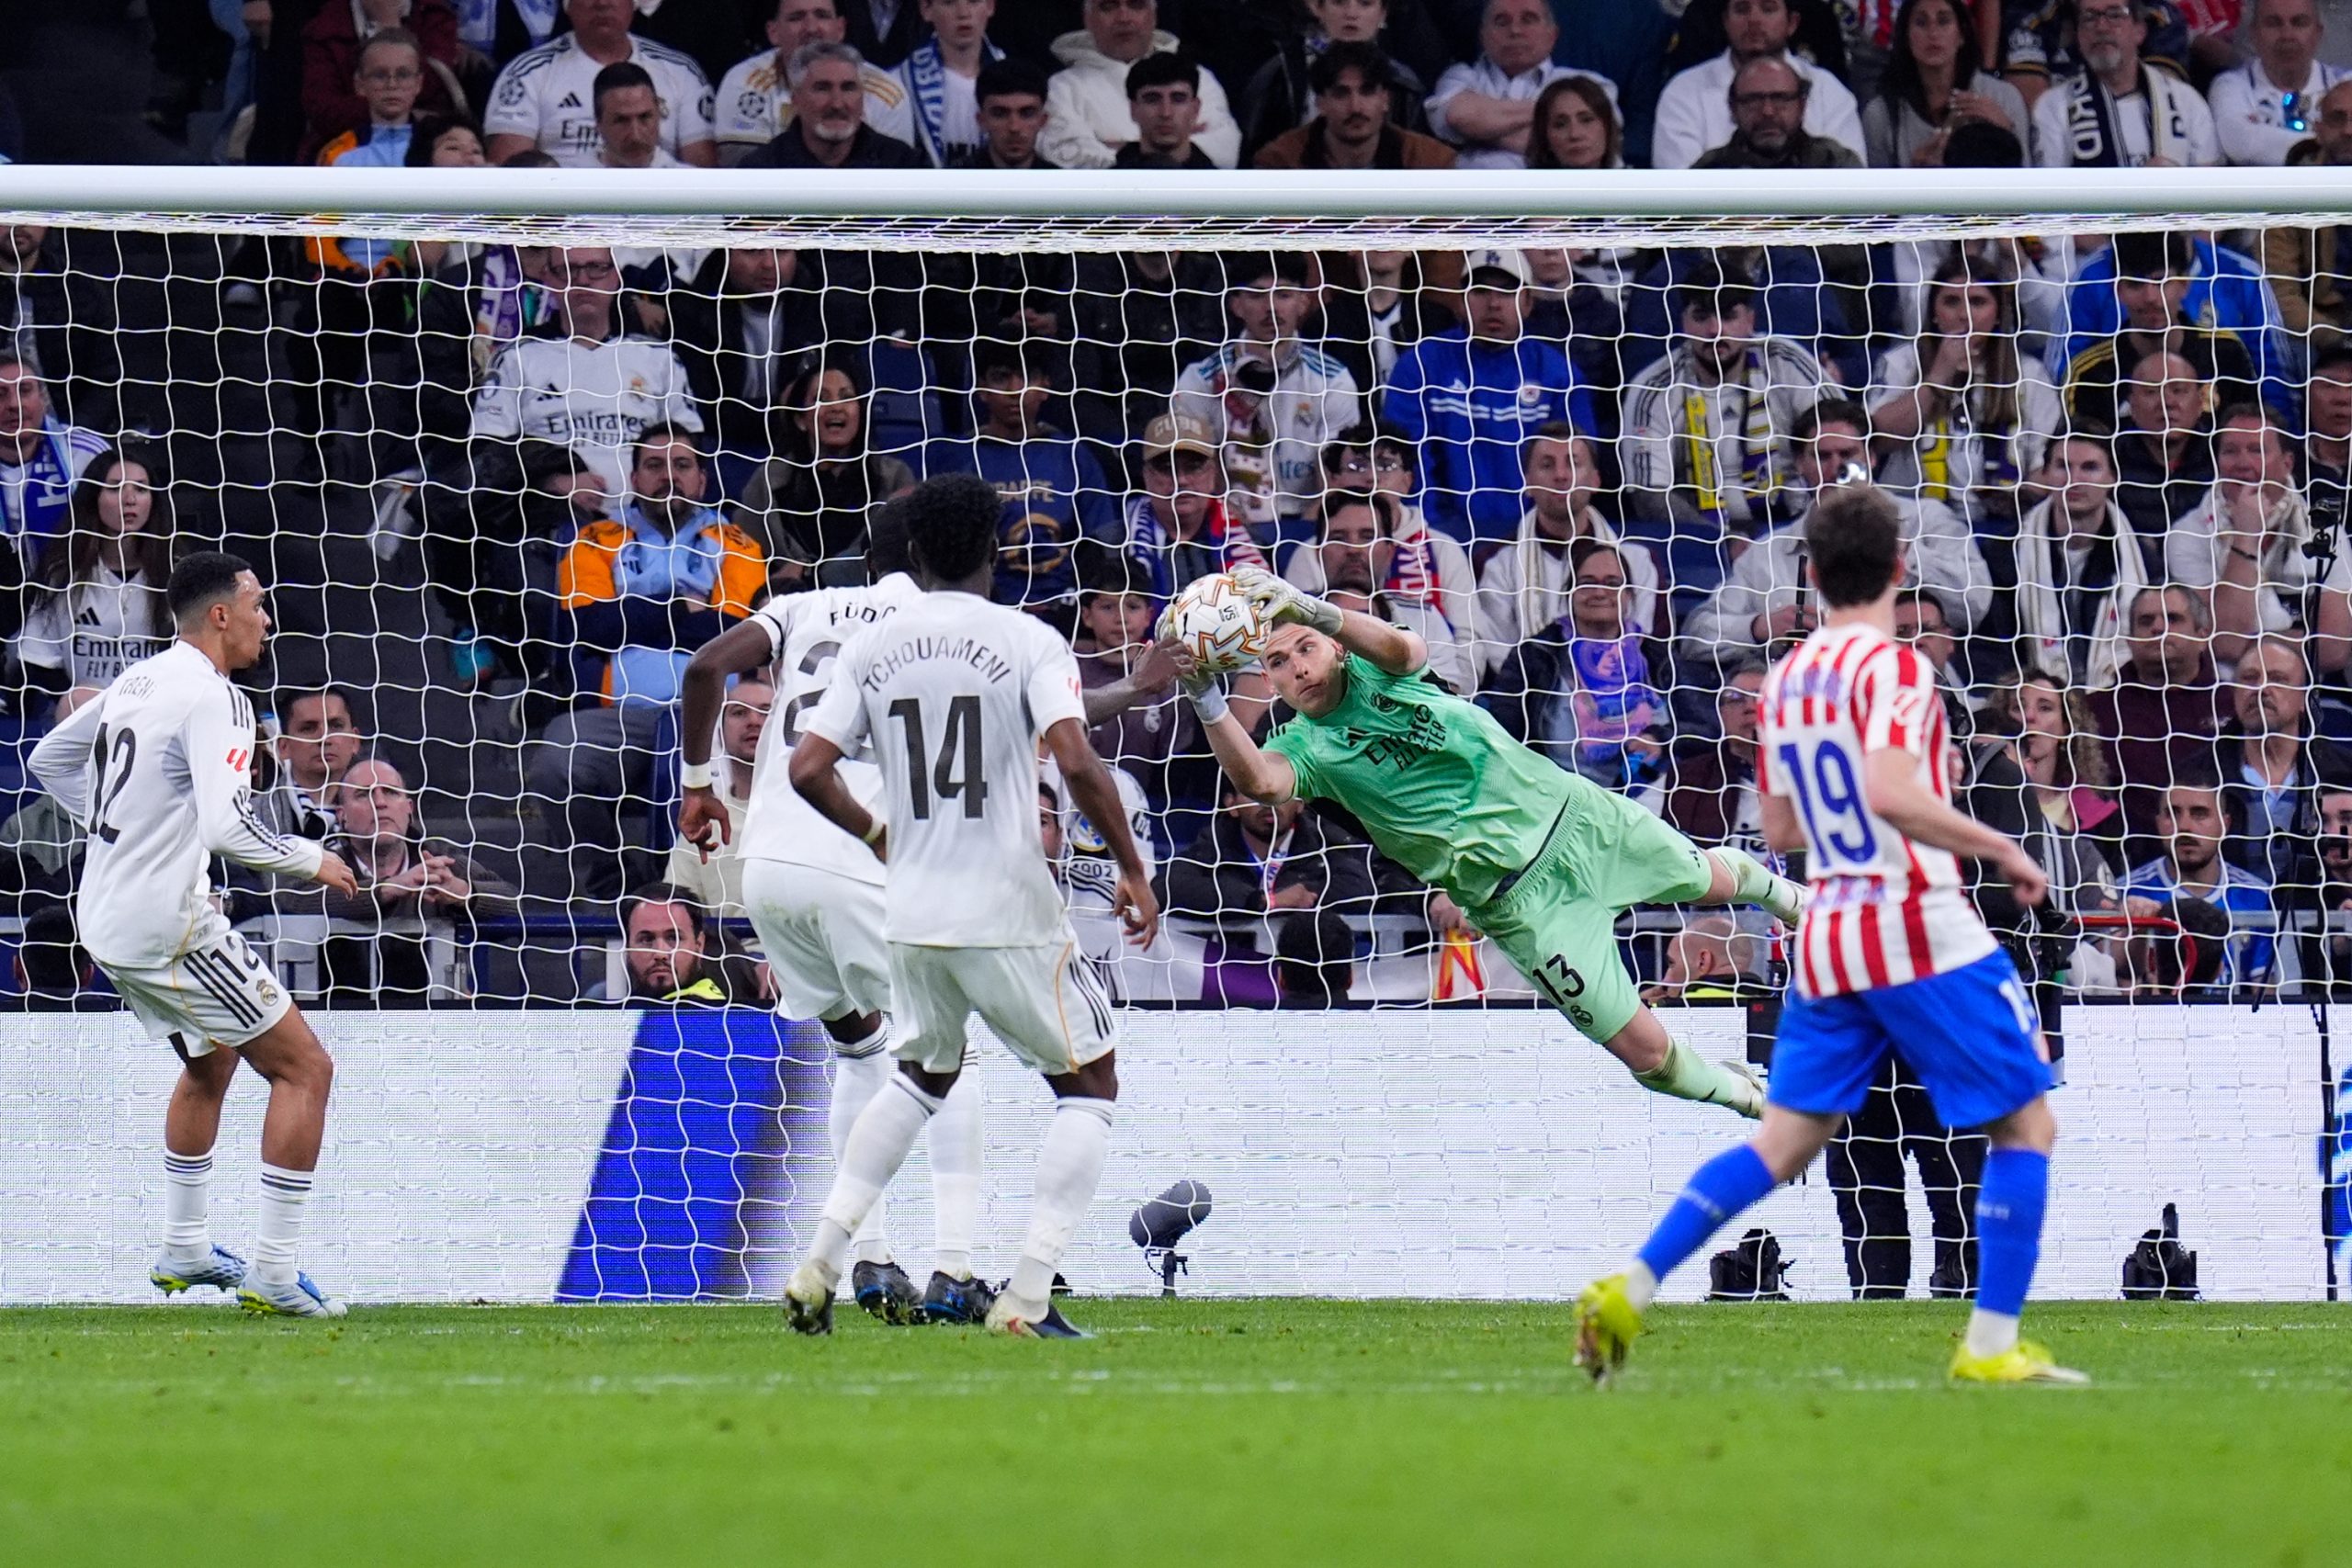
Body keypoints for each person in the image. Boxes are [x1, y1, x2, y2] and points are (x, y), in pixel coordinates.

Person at [1576, 482, 2080, 1387]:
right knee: (2026, 1123)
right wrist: (1996, 840)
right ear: (1898, 569)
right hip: (1912, 919)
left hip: (1828, 927)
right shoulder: (1895, 669)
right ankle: (1992, 1345)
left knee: (1782, 1144)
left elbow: (1777, 833)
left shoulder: (1788, 680)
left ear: (1808, 575)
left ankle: (1632, 1282)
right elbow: (1890, 795)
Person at [1179, 561, 1804, 1116]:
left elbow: (1401, 646)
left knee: (1710, 881)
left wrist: (1310, 606)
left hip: (1578, 821)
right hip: (1523, 906)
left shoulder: (1383, 671)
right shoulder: (1303, 747)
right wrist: (1206, 695)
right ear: (1270, 681)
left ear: (1335, 647)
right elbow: (1260, 781)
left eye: (1306, 647)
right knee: (1648, 1057)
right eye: (1278, 664)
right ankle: (1751, 1099)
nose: (1299, 668)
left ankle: (1799, 903)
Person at [781, 474, 1161, 1338]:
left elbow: (808, 768)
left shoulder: (873, 650)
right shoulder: (1027, 637)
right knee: (1089, 1084)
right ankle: (1025, 1294)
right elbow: (1075, 758)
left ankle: (822, 1259)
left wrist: (879, 834)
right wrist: (1134, 869)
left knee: (919, 1077)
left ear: (913, 556)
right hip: (1007, 904)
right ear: (996, 554)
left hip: (911, 907)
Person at [25, 551, 362, 1319]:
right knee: (305, 1069)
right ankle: (274, 1273)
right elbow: (226, 824)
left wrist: (122, 828)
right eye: (257, 605)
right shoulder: (220, 700)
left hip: (105, 911)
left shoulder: (139, 679)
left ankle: (185, 1244)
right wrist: (313, 858)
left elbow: (48, 758)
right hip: (168, 923)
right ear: (221, 614)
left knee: (210, 1062)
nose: (265, 620)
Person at [1679, 400, 1988, 666]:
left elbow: (1975, 603)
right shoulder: (1768, 554)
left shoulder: (1926, 519)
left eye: (1847, 454)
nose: (1836, 468)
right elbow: (1697, 634)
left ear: (1871, 457)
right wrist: (1760, 626)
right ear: (1801, 463)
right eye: (1822, 456)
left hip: (1912, 695)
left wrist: (1903, 553)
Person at [1383, 248, 1592, 547]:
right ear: (1459, 301)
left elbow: (1576, 471)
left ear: (1528, 302)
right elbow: (1407, 466)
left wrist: (1539, 536)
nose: (1493, 304)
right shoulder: (1420, 366)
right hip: (1437, 538)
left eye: (1507, 292)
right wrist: (1432, 538)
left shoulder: (1559, 376)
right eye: (1479, 291)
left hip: (1536, 540)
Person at [468, 246, 703, 503]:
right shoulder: (515, 358)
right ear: (548, 278)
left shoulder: (659, 357)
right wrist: (553, 482)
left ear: (616, 277)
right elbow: (486, 451)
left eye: (596, 268)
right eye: (567, 270)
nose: (582, 280)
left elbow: (690, 447)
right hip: (548, 520)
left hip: (647, 520)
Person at [1619, 263, 1826, 537]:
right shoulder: (1654, 389)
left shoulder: (1786, 362)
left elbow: (1844, 443)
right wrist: (1721, 543)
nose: (1715, 330)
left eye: (1728, 317)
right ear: (1684, 323)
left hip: (1795, 527)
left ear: (1750, 321)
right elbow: (1650, 496)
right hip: (1698, 541)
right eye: (1702, 317)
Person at [922, 338, 1121, 612]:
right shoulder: (955, 458)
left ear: (1045, 386)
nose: (1015, 390)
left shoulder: (1073, 455)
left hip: (1067, 612)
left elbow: (1105, 544)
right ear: (981, 389)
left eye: (1027, 377)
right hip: (979, 612)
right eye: (1001, 378)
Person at [1867, 254, 2064, 528]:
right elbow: (1877, 440)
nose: (1965, 315)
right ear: (1934, 313)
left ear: (1998, 314)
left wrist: (2017, 500)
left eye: (1978, 302)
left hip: (2007, 527)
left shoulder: (2030, 375)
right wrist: (1938, 376)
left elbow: (2049, 466)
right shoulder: (1900, 363)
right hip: (1912, 523)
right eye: (1951, 302)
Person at [1170, 254, 1361, 528]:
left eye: (1283, 295)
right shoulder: (1199, 380)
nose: (1271, 308)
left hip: (1311, 523)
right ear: (1236, 305)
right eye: (1257, 295)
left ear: (1303, 302)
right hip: (1224, 525)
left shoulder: (1333, 380)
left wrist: (1301, 537)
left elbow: (1337, 480)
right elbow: (1194, 473)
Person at [308, 757, 518, 1001]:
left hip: (429, 1016)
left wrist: (463, 894)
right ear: (342, 815)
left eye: (390, 792)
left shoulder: (442, 860)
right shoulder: (322, 862)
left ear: (409, 808)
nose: (379, 803)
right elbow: (295, 900)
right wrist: (388, 889)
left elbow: (513, 902)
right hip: (341, 1014)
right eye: (364, 795)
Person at [2169, 406, 2350, 674]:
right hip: (2221, 694)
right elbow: (2224, 644)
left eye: (2257, 450)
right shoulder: (2188, 534)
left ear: (2287, 463)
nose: (2242, 463)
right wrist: (2246, 537)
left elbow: (2334, 650)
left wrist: (2254, 639)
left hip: (2310, 695)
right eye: (2230, 451)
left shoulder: (2325, 533)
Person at [1474, 427, 1658, 679]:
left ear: (1596, 480)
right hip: (1533, 702)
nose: (1561, 476)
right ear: (1528, 482)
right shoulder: (1497, 563)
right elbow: (1500, 654)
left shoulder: (1639, 562)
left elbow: (1647, 643)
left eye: (1573, 463)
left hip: (1624, 697)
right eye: (1547, 465)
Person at [735, 356, 916, 594]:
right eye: (821, 398)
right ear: (801, 419)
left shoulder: (894, 477)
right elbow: (742, 554)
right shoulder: (769, 480)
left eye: (846, 397)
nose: (836, 407)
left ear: (860, 413)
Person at [19, 447, 177, 698]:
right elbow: (40, 660)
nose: (130, 499)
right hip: (84, 716)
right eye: (115, 488)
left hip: (158, 715)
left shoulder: (176, 575)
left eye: (141, 488)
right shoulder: (62, 575)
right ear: (93, 497)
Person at [482, 0, 715, 167]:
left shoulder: (681, 72)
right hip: (563, 216)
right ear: (568, 6)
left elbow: (703, 175)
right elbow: (512, 173)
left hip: (660, 213)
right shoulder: (527, 74)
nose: (602, 3)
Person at [2090, 583, 2233, 841]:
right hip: (2123, 856)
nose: (2158, 628)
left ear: (2202, 636)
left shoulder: (2232, 705)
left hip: (2223, 854)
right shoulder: (2094, 712)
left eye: (2173, 619)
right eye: (2146, 621)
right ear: (2130, 640)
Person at [2009, 429, 2152, 689]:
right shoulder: (2007, 554)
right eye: (2063, 467)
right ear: (2045, 475)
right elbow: (1997, 651)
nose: (2074, 480)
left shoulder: (2144, 559)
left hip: (2117, 701)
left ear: (2112, 478)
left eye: (2089, 468)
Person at [1651, 0, 1866, 170]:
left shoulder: (1829, 90)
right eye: (1742, 9)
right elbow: (1683, 195)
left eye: (1768, 8)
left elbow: (1851, 187)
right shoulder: (1683, 92)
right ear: (1725, 21)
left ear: (1792, 23)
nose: (1754, 19)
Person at [1039, 0, 1242, 170]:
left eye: (1136, 5)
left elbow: (1225, 151)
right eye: (1108, 7)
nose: (1124, 18)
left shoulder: (1199, 78)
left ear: (1153, 16)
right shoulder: (1061, 87)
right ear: (1088, 20)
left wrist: (1117, 147)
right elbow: (1064, 156)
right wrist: (1173, 147)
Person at [2122, 775, 2277, 990]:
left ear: (2225, 824)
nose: (2184, 826)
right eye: (2173, 813)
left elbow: (2265, 994)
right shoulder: (2127, 892)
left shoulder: (2256, 895)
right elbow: (2119, 986)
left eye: (2199, 814)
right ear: (2158, 822)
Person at [2031, 0, 2220, 167]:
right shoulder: (2054, 106)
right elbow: (2050, 197)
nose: (2101, 27)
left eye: (2115, 15)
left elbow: (2211, 193)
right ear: (2079, 35)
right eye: (2089, 18)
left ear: (2139, 31)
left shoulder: (2187, 101)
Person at [713, 0, 901, 164]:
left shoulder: (888, 93)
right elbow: (748, 180)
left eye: (822, 16)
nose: (811, 28)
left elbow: (892, 175)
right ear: (773, 32)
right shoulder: (744, 82)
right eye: (796, 18)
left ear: (840, 28)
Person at [1238, 0, 1434, 158]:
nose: (1351, 13)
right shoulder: (1280, 74)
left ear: (1383, 13)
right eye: (1339, 2)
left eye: (1365, 4)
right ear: (1317, 7)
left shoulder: (1403, 83)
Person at [1861, 0, 2028, 167]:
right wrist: (1914, 172)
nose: (1933, 33)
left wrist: (2007, 134)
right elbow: (1877, 191)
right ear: (1906, 36)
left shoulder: (2004, 98)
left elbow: (2027, 182)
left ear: (1961, 34)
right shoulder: (1880, 115)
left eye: (1943, 21)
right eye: (1921, 22)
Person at [1424, 0, 1588, 170]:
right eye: (1501, 22)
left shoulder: (1588, 84)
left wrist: (1477, 132)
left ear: (1552, 34)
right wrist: (1556, 111)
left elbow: (1589, 145)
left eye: (1528, 20)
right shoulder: (1459, 77)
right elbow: (1460, 116)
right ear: (1483, 35)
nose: (1515, 31)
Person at [661, 675, 772, 919]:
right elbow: (676, 911)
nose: (754, 721)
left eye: (766, 712)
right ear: (719, 733)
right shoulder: (704, 823)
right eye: (739, 713)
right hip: (730, 954)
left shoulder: (813, 813)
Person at [1252, 42, 1454, 170]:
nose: (1355, 107)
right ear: (1320, 103)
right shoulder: (1281, 162)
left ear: (1385, 99)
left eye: (1367, 92)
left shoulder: (1429, 162)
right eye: (1341, 94)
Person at [741, 40, 927, 168]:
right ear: (795, 99)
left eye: (848, 88)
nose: (837, 104)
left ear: (862, 98)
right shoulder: (761, 171)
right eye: (822, 89)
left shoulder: (903, 165)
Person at [863, 0, 1001, 166]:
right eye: (949, 3)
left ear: (990, 6)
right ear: (926, 9)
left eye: (973, 1)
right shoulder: (897, 84)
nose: (963, 13)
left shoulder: (1018, 84)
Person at [0, 354, 111, 558]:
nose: (14, 404)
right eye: (0, 394)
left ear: (43, 399)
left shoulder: (86, 454)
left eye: (24, 391)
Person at [2207, 0, 2344, 165]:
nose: (2287, 35)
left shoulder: (2344, 83)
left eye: (2299, 23)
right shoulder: (2230, 85)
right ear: (2254, 34)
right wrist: (2332, 144)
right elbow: (2239, 142)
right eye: (2273, 23)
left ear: (2318, 33)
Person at [2267, 83, 2352, 343]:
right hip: (2318, 331)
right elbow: (2281, 293)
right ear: (2318, 129)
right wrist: (2338, 341)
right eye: (2338, 119)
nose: (2349, 131)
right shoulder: (2290, 192)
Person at [1693, 55, 1866, 170]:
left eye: (1780, 99)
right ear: (1733, 108)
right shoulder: (1709, 171)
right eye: (1754, 100)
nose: (1768, 111)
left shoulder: (1834, 163)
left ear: (1802, 105)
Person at [260, 686, 364, 844]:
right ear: (284, 747)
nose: (324, 739)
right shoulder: (251, 817)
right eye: (308, 728)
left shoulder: (386, 813)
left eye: (336, 726)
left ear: (355, 741)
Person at [608, 883, 731, 1004]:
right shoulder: (621, 1014)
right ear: (627, 947)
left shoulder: (709, 1014)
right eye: (646, 940)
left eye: (673, 938)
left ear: (699, 945)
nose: (660, 953)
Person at [1114, 50, 1217, 169]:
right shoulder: (1102, 186)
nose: (1165, 113)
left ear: (1195, 108)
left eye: (1178, 99)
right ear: (1134, 109)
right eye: (1152, 100)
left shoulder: (1224, 186)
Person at [954, 57, 1057, 168]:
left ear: (1043, 120)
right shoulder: (948, 182)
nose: (1014, 127)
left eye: (1027, 114)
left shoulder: (1064, 184)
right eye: (1000, 114)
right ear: (981, 120)